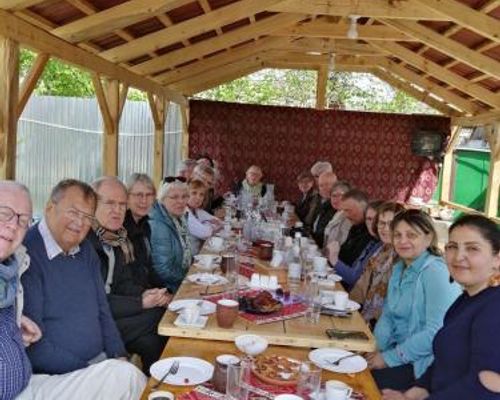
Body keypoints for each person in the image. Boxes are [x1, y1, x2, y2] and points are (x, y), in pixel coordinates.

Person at [21, 179, 146, 398]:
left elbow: (102, 310)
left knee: (131, 375)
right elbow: (35, 347)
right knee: (131, 379)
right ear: (50, 208)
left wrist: (118, 353)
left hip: (97, 363)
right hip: (56, 376)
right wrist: (90, 371)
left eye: (87, 217)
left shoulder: (85, 250)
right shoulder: (28, 255)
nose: (80, 223)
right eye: (73, 212)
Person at [382, 214, 500, 400]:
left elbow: (486, 388)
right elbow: (443, 362)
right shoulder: (464, 301)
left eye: (472, 248)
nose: (459, 256)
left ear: (497, 259)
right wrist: (411, 394)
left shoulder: (494, 309)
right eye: (452, 247)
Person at [368, 210, 461, 391]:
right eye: (398, 235)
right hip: (397, 351)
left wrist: (388, 358)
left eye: (411, 235)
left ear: (428, 238)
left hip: (423, 366)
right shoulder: (399, 268)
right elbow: (388, 315)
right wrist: (374, 349)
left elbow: (436, 333)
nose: (403, 241)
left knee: (364, 384)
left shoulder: (436, 272)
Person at [89, 176, 168, 373]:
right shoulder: (86, 243)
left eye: (122, 205)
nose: (117, 210)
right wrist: (140, 302)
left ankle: (156, 389)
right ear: (91, 205)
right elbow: (94, 302)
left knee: (151, 342)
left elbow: (124, 282)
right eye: (110, 203)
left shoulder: (115, 238)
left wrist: (144, 295)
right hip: (96, 321)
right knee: (163, 317)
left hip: (115, 311)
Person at [350, 202, 405, 326]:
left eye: (391, 224)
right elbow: (360, 288)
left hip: (384, 326)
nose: (384, 228)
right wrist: (347, 309)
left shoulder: (404, 257)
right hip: (365, 319)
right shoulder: (380, 251)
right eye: (381, 223)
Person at [150, 178, 192, 293]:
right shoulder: (159, 225)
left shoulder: (179, 218)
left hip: (180, 280)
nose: (181, 201)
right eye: (174, 197)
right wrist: (191, 278)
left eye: (184, 197)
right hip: (167, 289)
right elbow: (163, 270)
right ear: (162, 199)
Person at [124, 173, 162, 287]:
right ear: (127, 198)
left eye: (149, 195)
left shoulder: (145, 225)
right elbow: (128, 277)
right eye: (138, 195)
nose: (144, 200)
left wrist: (166, 291)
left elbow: (149, 267)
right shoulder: (121, 229)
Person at [187, 179, 223, 255]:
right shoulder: (185, 212)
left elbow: (219, 222)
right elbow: (206, 233)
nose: (198, 197)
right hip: (189, 259)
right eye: (194, 193)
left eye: (201, 194)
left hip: (198, 252)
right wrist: (208, 224)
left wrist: (205, 224)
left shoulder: (197, 211)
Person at [323, 181, 352, 252]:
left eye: (341, 195)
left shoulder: (349, 218)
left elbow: (341, 248)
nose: (336, 199)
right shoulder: (337, 213)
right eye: (334, 195)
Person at [311, 171, 337, 248]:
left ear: (335, 185)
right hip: (314, 243)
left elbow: (322, 236)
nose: (324, 188)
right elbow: (315, 228)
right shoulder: (323, 203)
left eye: (327, 184)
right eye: (321, 186)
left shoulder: (336, 206)